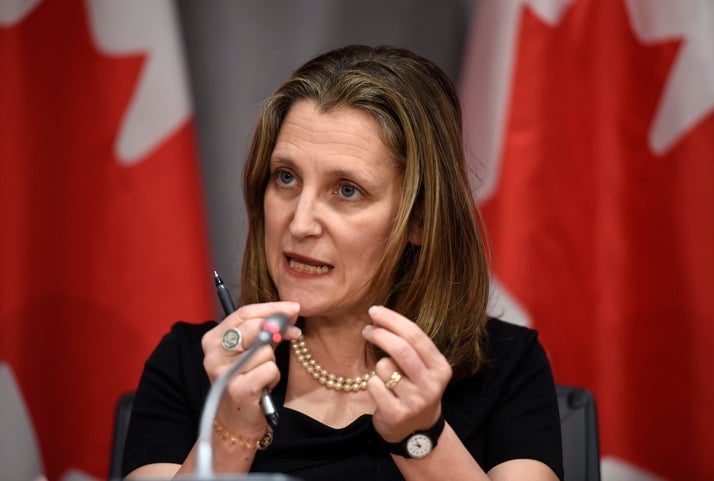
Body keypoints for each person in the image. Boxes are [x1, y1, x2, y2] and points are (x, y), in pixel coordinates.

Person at [122, 45, 563, 481]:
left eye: (347, 190)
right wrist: (231, 430)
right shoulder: (192, 364)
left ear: (421, 220)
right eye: (287, 178)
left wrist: (420, 437)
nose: (300, 222)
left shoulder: (505, 366)